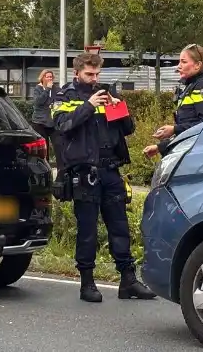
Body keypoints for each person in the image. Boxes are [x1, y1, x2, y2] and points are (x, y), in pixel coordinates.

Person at [51, 52, 156, 303]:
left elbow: (127, 130)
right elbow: (63, 125)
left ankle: (128, 280)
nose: (94, 79)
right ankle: (87, 282)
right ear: (77, 73)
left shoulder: (106, 95)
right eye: (89, 74)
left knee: (119, 227)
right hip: (85, 172)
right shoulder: (64, 97)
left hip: (110, 170)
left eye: (97, 74)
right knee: (87, 231)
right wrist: (89, 106)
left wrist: (118, 107)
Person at [145, 44, 203, 158]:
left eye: (183, 62)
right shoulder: (192, 86)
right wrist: (161, 147)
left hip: (199, 156)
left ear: (197, 65)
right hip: (192, 153)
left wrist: (174, 129)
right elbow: (189, 131)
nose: (178, 66)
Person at [30, 70, 57, 162]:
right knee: (44, 148)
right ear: (42, 78)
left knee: (58, 145)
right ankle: (45, 166)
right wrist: (47, 90)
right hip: (40, 122)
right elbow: (38, 102)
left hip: (52, 122)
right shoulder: (38, 89)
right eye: (47, 76)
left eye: (51, 77)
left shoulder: (55, 89)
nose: (49, 78)